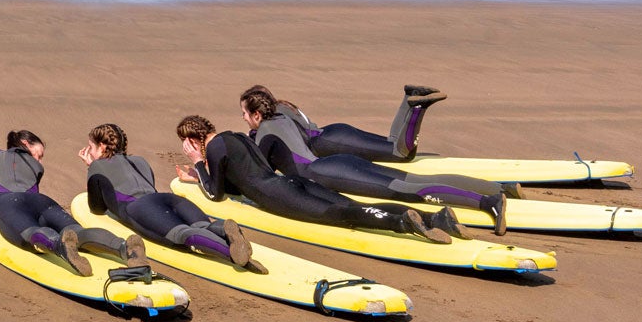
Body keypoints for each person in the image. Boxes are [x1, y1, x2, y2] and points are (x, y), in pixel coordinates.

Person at [240, 86, 508, 234]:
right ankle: (494, 189)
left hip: (327, 171)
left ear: (255, 114)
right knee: (414, 181)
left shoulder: (264, 132)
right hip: (339, 161)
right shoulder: (284, 110)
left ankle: (488, 202)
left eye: (244, 113)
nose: (242, 118)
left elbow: (260, 174)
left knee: (408, 189)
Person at [174, 115, 459, 241]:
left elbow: (217, 193)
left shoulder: (212, 149)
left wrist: (198, 165)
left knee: (342, 213)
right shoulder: (235, 137)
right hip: (291, 183)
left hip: (279, 196)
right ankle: (435, 218)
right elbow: (243, 176)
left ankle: (401, 222)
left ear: (191, 139)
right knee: (346, 202)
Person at [79, 123, 265, 274]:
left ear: (102, 147)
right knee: (201, 226)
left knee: (181, 234)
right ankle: (223, 228)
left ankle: (233, 254)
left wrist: (91, 167)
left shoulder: (98, 167)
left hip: (139, 208)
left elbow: (97, 208)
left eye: (91, 147)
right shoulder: (140, 161)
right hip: (166, 200)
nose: (89, 152)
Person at [0, 129, 145, 277]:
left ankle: (59, 246)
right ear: (25, 144)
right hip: (44, 202)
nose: (38, 159)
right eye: (39, 154)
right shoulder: (35, 167)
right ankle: (124, 247)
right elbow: (29, 197)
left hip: (10, 203)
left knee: (30, 231)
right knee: (77, 232)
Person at [279, 84, 448, 163]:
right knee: (392, 143)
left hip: (330, 143)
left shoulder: (272, 117)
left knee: (401, 154)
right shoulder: (283, 105)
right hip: (334, 132)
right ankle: (411, 95)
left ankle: (418, 107)